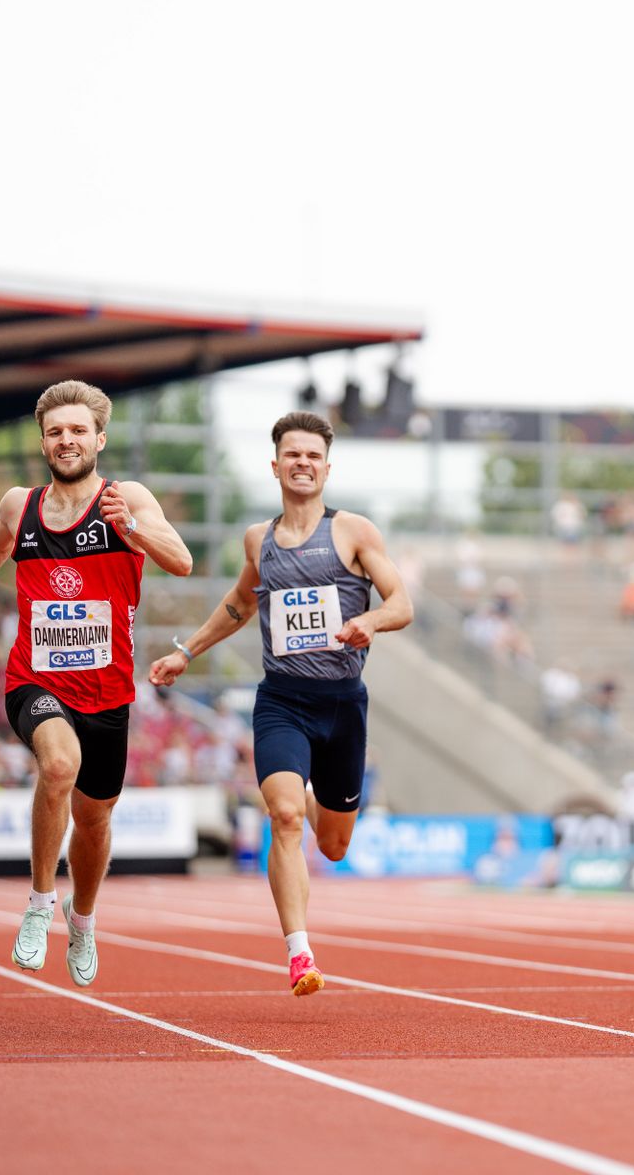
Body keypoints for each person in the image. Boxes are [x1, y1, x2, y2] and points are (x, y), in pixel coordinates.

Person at [0, 381, 192, 986]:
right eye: (56, 432)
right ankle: (38, 906)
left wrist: (133, 528)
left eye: (78, 431)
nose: (67, 441)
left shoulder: (126, 497)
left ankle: (81, 920)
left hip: (108, 691)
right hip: (34, 680)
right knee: (58, 766)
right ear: (43, 442)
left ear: (99, 439)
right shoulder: (20, 506)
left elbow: (182, 560)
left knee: (94, 823)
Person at [149, 411, 412, 996]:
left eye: (313, 456)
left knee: (336, 846)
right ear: (276, 465)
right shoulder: (258, 541)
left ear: (326, 466)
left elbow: (402, 604)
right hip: (282, 701)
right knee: (285, 817)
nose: (302, 463)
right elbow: (239, 605)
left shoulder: (354, 533)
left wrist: (368, 620)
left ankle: (316, 797)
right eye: (292, 454)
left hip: (343, 705)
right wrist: (184, 653)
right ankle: (300, 954)